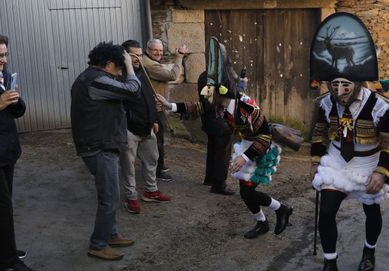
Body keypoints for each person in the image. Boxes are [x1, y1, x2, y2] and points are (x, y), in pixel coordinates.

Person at [156, 36, 293, 238]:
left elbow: (265, 136)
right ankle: (262, 223)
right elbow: (199, 107)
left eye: (218, 103)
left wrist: (244, 157)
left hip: (260, 146)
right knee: (245, 191)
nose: (216, 107)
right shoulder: (219, 101)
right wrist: (170, 106)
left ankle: (281, 209)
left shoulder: (247, 106)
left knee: (248, 192)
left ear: (226, 95)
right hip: (247, 144)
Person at [309, 13, 389, 271]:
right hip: (338, 159)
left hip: (369, 161)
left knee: (371, 211)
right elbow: (318, 132)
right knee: (326, 210)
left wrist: (382, 173)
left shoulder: (379, 107)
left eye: (345, 86)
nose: (339, 93)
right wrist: (316, 161)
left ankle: (368, 253)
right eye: (334, 85)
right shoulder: (326, 103)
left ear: (358, 83)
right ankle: (330, 262)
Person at [70, 41, 139, 260]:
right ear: (109, 64)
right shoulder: (97, 80)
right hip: (98, 146)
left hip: (99, 143)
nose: (120, 73)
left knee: (109, 193)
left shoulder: (89, 77)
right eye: (118, 68)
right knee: (109, 198)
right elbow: (132, 90)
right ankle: (98, 244)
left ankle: (111, 234)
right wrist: (129, 66)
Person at [0, 34, 34, 271]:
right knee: (2, 207)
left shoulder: (5, 77)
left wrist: (16, 101)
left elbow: (17, 112)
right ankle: (8, 262)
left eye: (5, 54)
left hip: (7, 150)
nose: (3, 60)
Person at [119, 40, 170, 215]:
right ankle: (131, 197)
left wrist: (154, 119)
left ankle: (150, 191)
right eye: (134, 55)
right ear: (125, 55)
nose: (138, 58)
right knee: (129, 165)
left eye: (140, 55)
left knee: (152, 160)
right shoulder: (119, 75)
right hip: (129, 128)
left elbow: (149, 98)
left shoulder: (142, 72)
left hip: (147, 126)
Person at [142, 39, 188, 182]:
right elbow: (172, 75)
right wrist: (179, 56)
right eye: (155, 50)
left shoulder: (147, 61)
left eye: (161, 50)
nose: (159, 53)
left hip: (154, 106)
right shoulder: (151, 65)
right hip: (154, 108)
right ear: (148, 49)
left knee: (155, 139)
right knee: (158, 140)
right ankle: (158, 170)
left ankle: (157, 165)